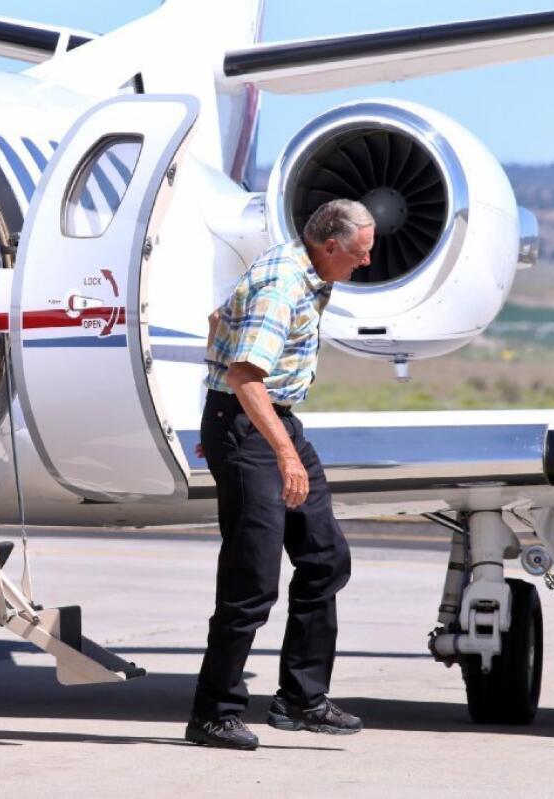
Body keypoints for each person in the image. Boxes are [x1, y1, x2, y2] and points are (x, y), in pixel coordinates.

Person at [185, 199, 375, 750]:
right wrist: (242, 430)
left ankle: (301, 699)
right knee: (253, 579)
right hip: (255, 428)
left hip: (266, 421)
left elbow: (220, 321)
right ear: (331, 246)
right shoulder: (282, 286)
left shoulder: (305, 273)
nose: (365, 264)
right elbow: (246, 375)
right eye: (360, 254)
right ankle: (213, 714)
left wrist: (218, 410)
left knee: (324, 558)